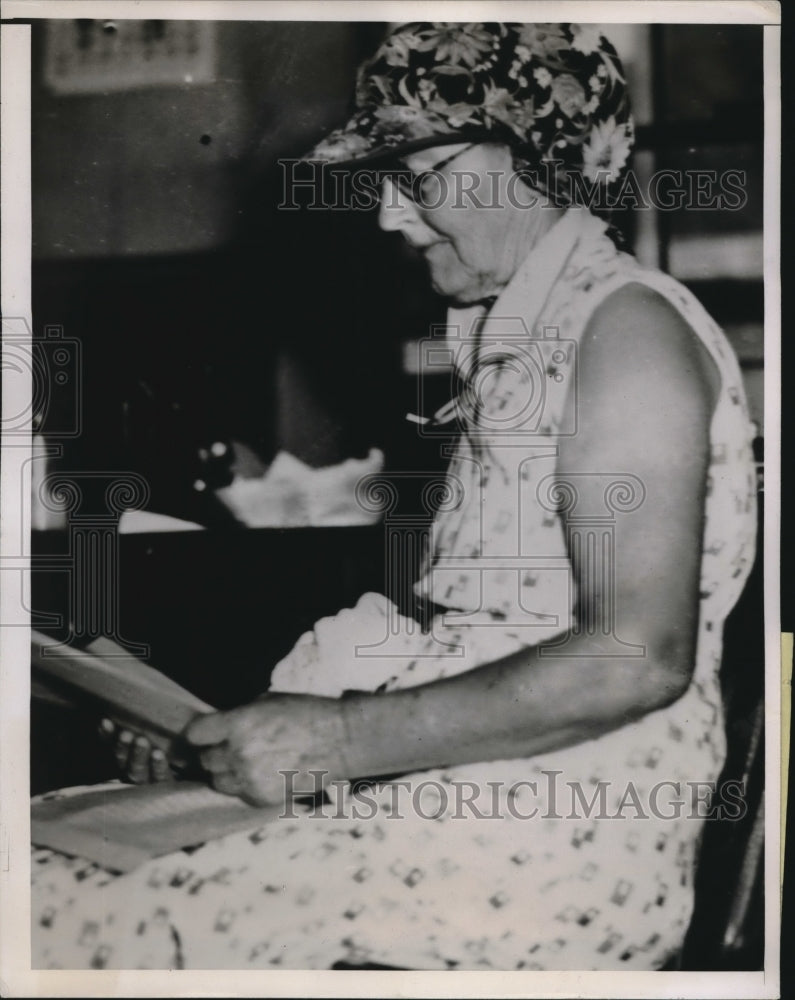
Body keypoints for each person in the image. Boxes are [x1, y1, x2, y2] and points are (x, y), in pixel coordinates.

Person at [32, 22, 757, 970]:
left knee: (45, 905)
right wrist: (215, 743)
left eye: (417, 176)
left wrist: (331, 738)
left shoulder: (624, 331)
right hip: (476, 799)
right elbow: (479, 650)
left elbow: (631, 663)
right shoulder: (525, 336)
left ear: (535, 160)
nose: (386, 215)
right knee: (47, 847)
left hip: (548, 846)